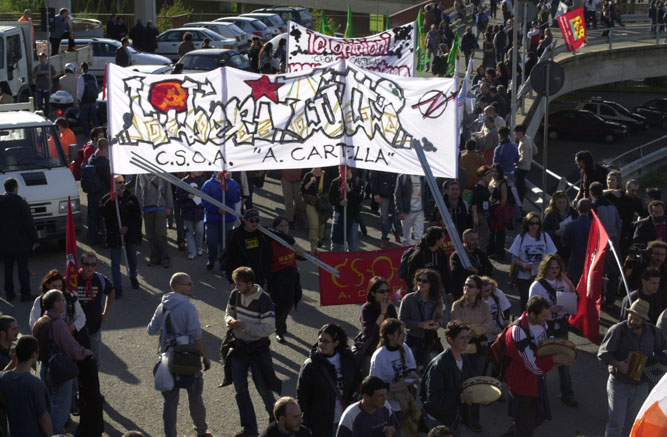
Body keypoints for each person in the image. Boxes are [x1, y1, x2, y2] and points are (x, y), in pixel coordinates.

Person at [147, 272, 213, 437]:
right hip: (188, 359)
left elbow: (151, 330)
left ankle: (170, 435)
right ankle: (201, 431)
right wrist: (205, 357)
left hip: (167, 359)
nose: (192, 286)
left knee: (170, 402)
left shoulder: (162, 306)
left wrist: (167, 334)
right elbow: (196, 336)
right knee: (195, 397)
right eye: (188, 284)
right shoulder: (188, 307)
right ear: (177, 287)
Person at [503, 295, 574, 437]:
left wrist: (561, 352)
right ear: (532, 314)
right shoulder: (518, 332)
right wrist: (554, 360)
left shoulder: (541, 323)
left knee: (540, 416)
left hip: (536, 383)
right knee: (526, 429)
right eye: (543, 316)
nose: (546, 319)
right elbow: (533, 366)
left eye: (547, 315)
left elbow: (549, 341)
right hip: (522, 387)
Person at [224, 267, 281, 437]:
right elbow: (228, 313)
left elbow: (268, 328)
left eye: (239, 284)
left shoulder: (264, 300)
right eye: (235, 283)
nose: (236, 287)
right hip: (238, 348)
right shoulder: (235, 295)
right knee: (240, 391)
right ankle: (249, 429)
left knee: (263, 388)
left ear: (250, 283)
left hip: (258, 350)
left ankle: (277, 421)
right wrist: (230, 320)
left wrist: (245, 326)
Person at [598, 299, 667, 437]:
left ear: (644, 320)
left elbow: (664, 350)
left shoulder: (653, 332)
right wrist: (618, 364)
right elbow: (602, 354)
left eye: (636, 319)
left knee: (632, 425)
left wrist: (653, 363)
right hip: (619, 384)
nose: (632, 321)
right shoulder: (618, 330)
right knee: (616, 425)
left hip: (641, 386)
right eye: (630, 317)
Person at [33, 290, 95, 434]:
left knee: (49, 404)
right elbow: (70, 347)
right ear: (55, 303)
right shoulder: (58, 324)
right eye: (62, 300)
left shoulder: (40, 321)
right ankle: (56, 434)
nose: (65, 302)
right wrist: (85, 352)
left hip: (45, 367)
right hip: (59, 370)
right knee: (60, 406)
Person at [528, 255, 579, 407]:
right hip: (544, 325)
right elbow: (531, 309)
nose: (555, 271)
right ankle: (537, 392)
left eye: (557, 268)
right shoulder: (537, 286)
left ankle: (567, 394)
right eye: (552, 268)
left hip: (561, 324)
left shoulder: (562, 281)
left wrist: (568, 282)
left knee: (564, 358)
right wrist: (550, 310)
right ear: (545, 268)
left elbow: (573, 295)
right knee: (542, 359)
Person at [297, 324, 361, 436]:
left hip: (347, 417)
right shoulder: (311, 365)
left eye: (326, 341)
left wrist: (355, 395)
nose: (321, 344)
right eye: (320, 340)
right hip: (322, 423)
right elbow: (302, 397)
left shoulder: (348, 358)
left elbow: (358, 379)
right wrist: (305, 423)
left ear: (336, 343)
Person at [450, 275, 492, 431]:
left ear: (478, 290)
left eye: (471, 286)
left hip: (479, 350)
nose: (466, 288)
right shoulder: (457, 305)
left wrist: (470, 327)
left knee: (476, 384)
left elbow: (489, 326)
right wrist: (476, 328)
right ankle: (460, 416)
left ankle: (473, 420)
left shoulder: (484, 306)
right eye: (465, 284)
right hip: (463, 351)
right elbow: (457, 328)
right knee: (461, 385)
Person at [419, 320, 475, 433]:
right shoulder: (439, 365)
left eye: (467, 337)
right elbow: (433, 398)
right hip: (438, 420)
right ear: (450, 340)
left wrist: (480, 396)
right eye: (462, 338)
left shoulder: (465, 361)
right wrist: (459, 397)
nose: (466, 341)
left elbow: (469, 385)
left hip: (455, 417)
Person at [369, 318, 421, 435]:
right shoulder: (379, 356)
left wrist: (413, 375)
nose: (404, 335)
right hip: (388, 406)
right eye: (400, 332)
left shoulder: (405, 348)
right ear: (390, 336)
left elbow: (410, 367)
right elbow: (374, 384)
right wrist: (398, 385)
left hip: (405, 402)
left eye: (404, 332)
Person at [0, 335, 53, 437]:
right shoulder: (35, 384)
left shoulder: (4, 378)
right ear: (34, 354)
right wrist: (51, 435)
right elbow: (43, 417)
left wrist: (13, 361)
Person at [100, 175, 141, 296]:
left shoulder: (131, 197)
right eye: (119, 182)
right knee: (115, 263)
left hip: (129, 235)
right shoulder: (106, 198)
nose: (122, 184)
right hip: (114, 235)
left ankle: (133, 276)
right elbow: (102, 212)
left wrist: (127, 226)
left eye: (123, 182)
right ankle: (117, 287)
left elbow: (136, 216)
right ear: (113, 184)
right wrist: (112, 200)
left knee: (132, 259)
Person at [509, 212, 558, 311]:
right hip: (524, 276)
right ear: (527, 224)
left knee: (541, 300)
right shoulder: (521, 237)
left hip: (541, 275)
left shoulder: (545, 236)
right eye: (531, 223)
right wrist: (524, 264)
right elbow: (513, 258)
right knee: (526, 301)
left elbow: (553, 255)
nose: (534, 226)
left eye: (537, 223)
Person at [399, 268, 445, 370]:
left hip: (431, 340)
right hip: (413, 340)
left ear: (432, 284)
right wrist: (420, 324)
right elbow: (401, 321)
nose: (420, 283)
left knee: (433, 369)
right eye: (419, 280)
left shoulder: (437, 299)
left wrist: (437, 324)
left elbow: (440, 317)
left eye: (425, 281)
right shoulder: (408, 299)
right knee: (411, 370)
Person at [267, 216, 304, 343]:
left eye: (286, 226)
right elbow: (265, 263)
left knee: (290, 303)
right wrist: (266, 281)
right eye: (281, 226)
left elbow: (299, 256)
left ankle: (281, 321)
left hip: (292, 276)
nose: (284, 228)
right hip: (277, 278)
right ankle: (278, 329)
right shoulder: (270, 242)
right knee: (280, 305)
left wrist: (310, 254)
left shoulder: (291, 239)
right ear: (275, 228)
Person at [1, 177, 38, 302]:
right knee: (23, 269)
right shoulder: (21, 203)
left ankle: (9, 293)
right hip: (21, 243)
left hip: (4, 243)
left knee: (8, 269)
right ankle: (25, 293)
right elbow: (29, 224)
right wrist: (35, 239)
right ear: (15, 188)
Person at [75, 251, 114, 366]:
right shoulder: (73, 279)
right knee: (76, 360)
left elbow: (111, 293)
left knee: (94, 361)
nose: (90, 267)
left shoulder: (101, 280)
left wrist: (105, 314)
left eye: (93, 264)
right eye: (86, 264)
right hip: (76, 328)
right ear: (81, 265)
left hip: (94, 325)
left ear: (96, 266)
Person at [222, 209, 273, 290]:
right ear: (245, 220)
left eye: (257, 221)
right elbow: (230, 258)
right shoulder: (236, 235)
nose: (254, 223)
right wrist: (232, 281)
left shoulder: (263, 234)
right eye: (251, 221)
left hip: (259, 275)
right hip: (243, 276)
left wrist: (266, 280)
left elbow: (268, 258)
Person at [590, 181, 623, 308]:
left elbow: (592, 226)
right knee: (613, 273)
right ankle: (610, 300)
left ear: (591, 193)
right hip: (613, 241)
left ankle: (599, 298)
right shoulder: (612, 206)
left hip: (600, 242)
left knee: (598, 272)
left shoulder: (594, 206)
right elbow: (618, 224)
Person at [201, 171, 241, 269]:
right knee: (212, 241)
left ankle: (223, 262)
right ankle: (212, 259)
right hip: (212, 218)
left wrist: (227, 190)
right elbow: (204, 201)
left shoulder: (233, 183)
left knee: (225, 242)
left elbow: (236, 198)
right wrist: (217, 209)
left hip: (227, 218)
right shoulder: (208, 184)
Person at [29, 270, 86, 338]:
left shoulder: (70, 298)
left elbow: (81, 317)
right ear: (47, 285)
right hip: (48, 337)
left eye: (60, 286)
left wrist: (73, 326)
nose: (57, 289)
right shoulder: (40, 301)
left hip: (68, 335)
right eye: (54, 286)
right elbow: (34, 322)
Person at [359, 277, 399, 372]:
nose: (385, 294)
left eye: (387, 291)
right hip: (373, 348)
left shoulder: (390, 307)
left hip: (390, 346)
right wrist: (382, 313)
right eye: (381, 291)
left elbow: (397, 327)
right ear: (373, 293)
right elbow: (370, 333)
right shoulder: (366, 308)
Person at [136, 174, 173, 268]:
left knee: (161, 234)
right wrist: (139, 208)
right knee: (150, 235)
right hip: (147, 207)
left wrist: (169, 206)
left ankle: (165, 259)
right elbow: (138, 192)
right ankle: (155, 257)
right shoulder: (140, 174)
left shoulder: (162, 173)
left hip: (160, 206)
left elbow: (168, 190)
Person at [450, 228, 494, 301]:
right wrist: (472, 273)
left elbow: (490, 270)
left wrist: (477, 270)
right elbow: (457, 274)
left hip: (479, 293)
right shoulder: (457, 256)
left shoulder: (480, 253)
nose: (476, 242)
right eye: (473, 240)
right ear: (465, 240)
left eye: (477, 239)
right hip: (463, 294)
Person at [405, 226, 451, 295]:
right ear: (436, 240)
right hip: (420, 292)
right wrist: (416, 295)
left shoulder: (440, 252)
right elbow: (411, 277)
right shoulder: (418, 255)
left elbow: (445, 272)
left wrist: (449, 292)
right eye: (442, 237)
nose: (444, 239)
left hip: (436, 291)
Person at [329, 167, 365, 252]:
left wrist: (349, 190)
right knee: (336, 243)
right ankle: (335, 258)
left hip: (353, 215)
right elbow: (330, 198)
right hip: (339, 214)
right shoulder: (336, 182)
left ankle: (351, 259)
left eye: (342, 170)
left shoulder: (359, 182)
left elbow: (359, 199)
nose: (340, 172)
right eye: (339, 170)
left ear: (349, 170)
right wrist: (339, 203)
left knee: (353, 244)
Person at [395, 173, 432, 246]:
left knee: (419, 237)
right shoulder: (403, 177)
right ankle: (406, 251)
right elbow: (397, 195)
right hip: (406, 212)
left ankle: (418, 251)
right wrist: (400, 211)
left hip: (419, 211)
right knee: (406, 238)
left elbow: (427, 195)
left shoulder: (424, 178)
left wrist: (427, 211)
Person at [176, 172, 206, 260]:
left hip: (199, 210)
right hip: (187, 211)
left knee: (200, 231)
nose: (198, 171)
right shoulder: (183, 181)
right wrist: (187, 195)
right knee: (189, 232)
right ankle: (192, 252)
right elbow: (178, 195)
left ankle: (198, 247)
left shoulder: (202, 181)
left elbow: (206, 194)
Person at [543, 190, 578, 263]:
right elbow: (544, 231)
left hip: (571, 246)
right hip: (557, 246)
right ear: (554, 203)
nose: (562, 205)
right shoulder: (550, 214)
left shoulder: (573, 212)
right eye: (559, 203)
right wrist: (555, 233)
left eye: (563, 202)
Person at [301, 167, 329, 254]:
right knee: (314, 225)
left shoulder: (325, 175)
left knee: (321, 224)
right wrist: (310, 182)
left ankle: (319, 239)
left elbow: (328, 189)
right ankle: (314, 247)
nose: (317, 167)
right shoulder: (308, 175)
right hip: (311, 203)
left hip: (322, 204)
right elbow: (303, 189)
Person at [488, 163, 512, 260]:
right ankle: (492, 250)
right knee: (491, 232)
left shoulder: (502, 184)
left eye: (496, 171)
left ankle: (499, 252)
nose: (494, 173)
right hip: (491, 210)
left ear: (500, 172)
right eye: (492, 171)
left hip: (499, 212)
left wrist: (498, 210)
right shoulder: (491, 181)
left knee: (500, 233)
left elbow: (504, 199)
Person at [371, 170, 401, 247]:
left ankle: (396, 232)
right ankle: (384, 238)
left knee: (397, 216)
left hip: (396, 192)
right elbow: (374, 177)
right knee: (384, 217)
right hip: (383, 193)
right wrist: (375, 193)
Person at [470, 165, 493, 253]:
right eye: (488, 176)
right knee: (484, 235)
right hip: (480, 213)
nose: (490, 177)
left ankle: (482, 253)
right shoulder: (477, 187)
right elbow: (474, 203)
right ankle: (481, 253)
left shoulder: (485, 186)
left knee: (485, 234)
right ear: (483, 176)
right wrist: (475, 216)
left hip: (485, 213)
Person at [514, 124, 538, 204]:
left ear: (520, 132)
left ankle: (519, 203)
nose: (515, 134)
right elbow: (535, 151)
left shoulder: (524, 143)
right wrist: (530, 155)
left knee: (519, 187)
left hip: (522, 168)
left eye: (516, 132)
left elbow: (524, 158)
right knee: (521, 185)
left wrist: (516, 164)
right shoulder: (528, 139)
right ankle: (520, 202)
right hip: (527, 166)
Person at [77, 62, 100, 137]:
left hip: (85, 101)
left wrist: (79, 99)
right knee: (94, 118)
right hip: (93, 100)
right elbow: (96, 87)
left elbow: (80, 90)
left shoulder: (81, 77)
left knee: (84, 119)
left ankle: (87, 135)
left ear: (82, 68)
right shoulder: (93, 76)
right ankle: (99, 133)